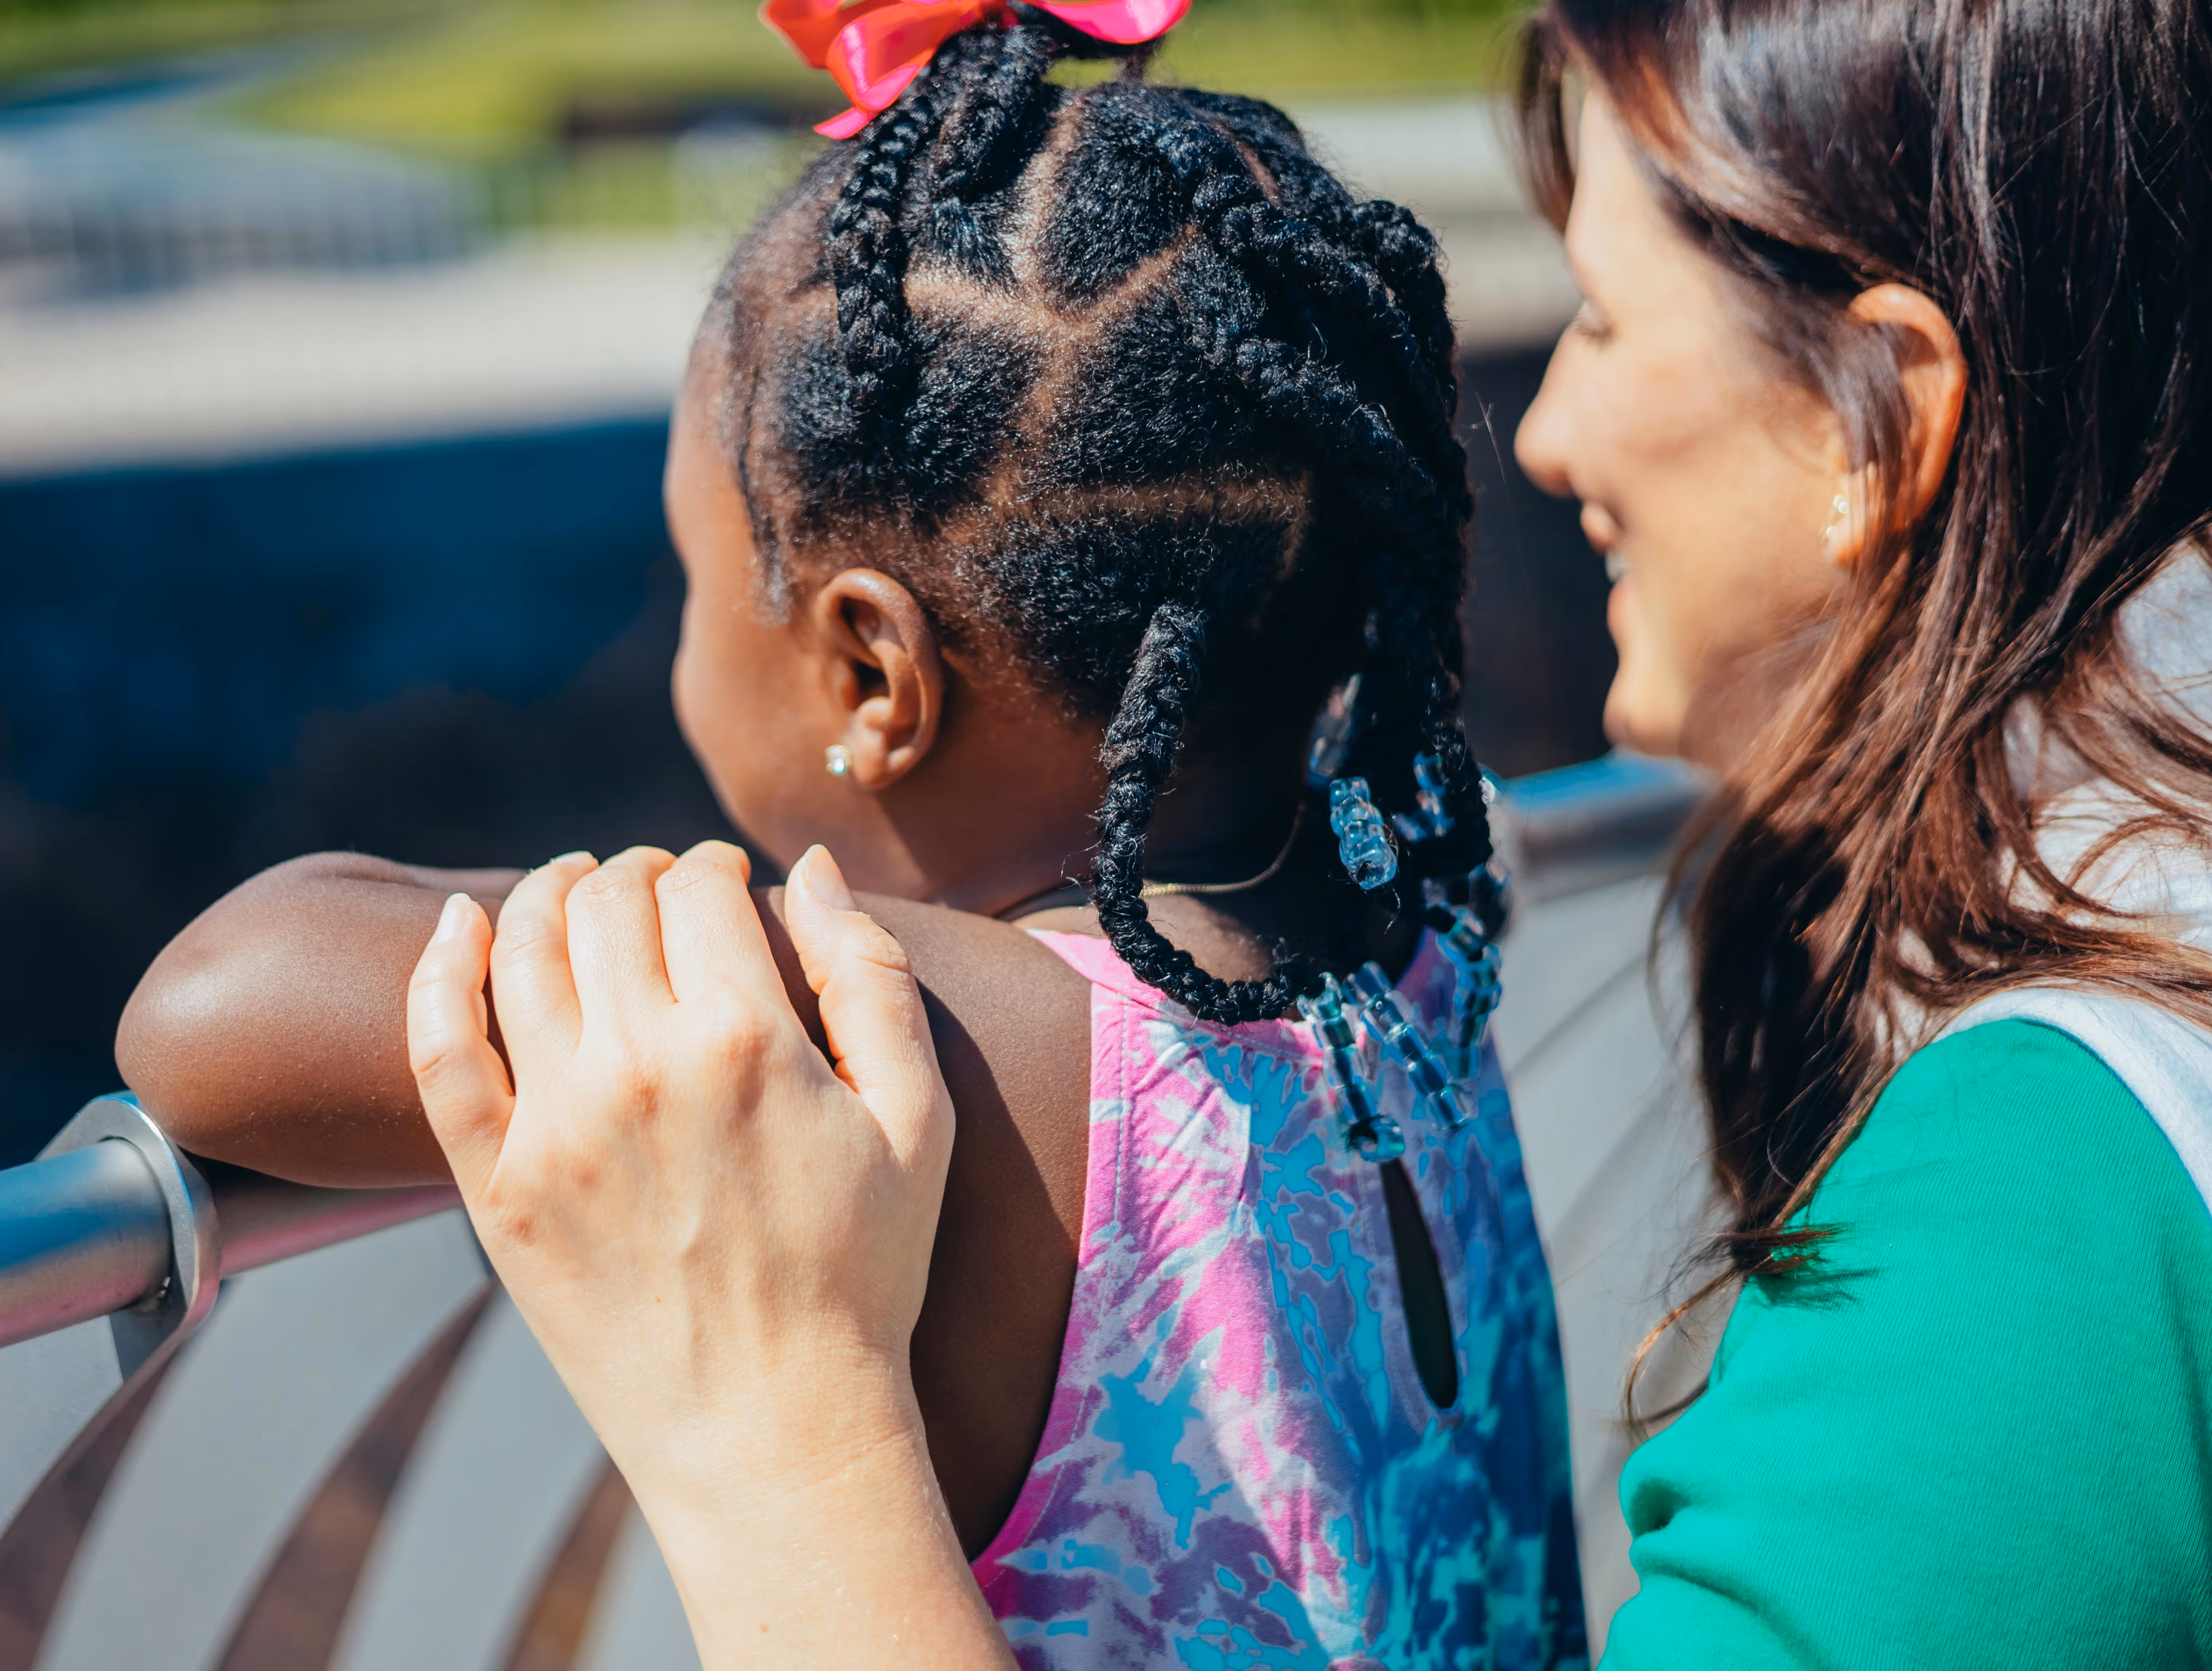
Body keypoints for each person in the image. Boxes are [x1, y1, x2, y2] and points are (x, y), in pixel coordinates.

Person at [387, 0, 2212, 1663]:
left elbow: (217, 1015)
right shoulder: (1404, 940)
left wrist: (769, 1429)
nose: (1543, 426)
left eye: (1594, 313)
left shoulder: (2038, 1210)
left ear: (1883, 412)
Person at [114, 7, 1587, 1666]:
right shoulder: (1407, 910)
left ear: (871, 671)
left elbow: (214, 1009)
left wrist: (731, 919)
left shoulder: (958, 1052)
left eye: (694, 589)